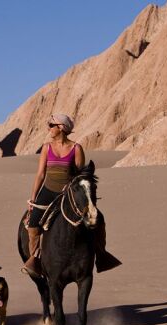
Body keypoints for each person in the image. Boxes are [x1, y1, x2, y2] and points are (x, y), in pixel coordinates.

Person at [22, 114, 120, 277]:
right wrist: (33, 199)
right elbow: (40, 174)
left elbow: (79, 176)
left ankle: (101, 255)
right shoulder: (46, 148)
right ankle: (36, 259)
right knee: (32, 226)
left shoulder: (76, 149)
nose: (49, 128)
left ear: (61, 127)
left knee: (98, 220)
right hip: (48, 191)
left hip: (68, 193)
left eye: (52, 125)